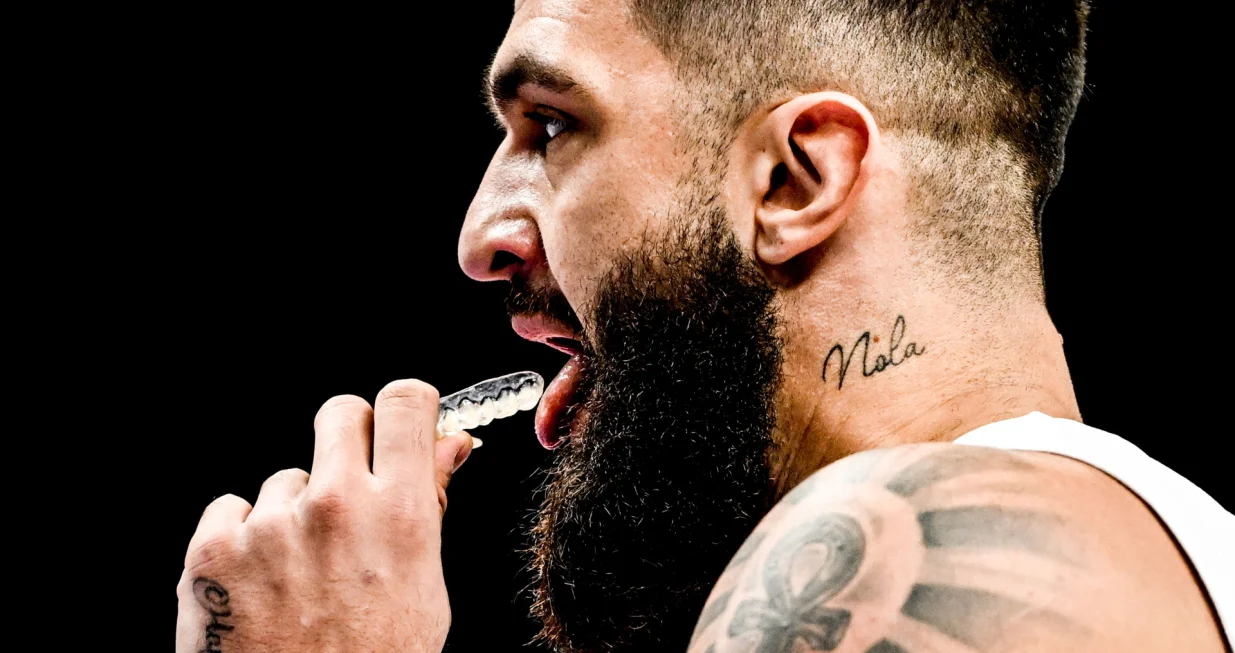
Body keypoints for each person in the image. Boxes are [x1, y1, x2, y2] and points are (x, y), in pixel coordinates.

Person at [175, 1, 1233, 651]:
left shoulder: (903, 550)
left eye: (549, 126)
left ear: (790, 180)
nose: (479, 237)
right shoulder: (1137, 546)